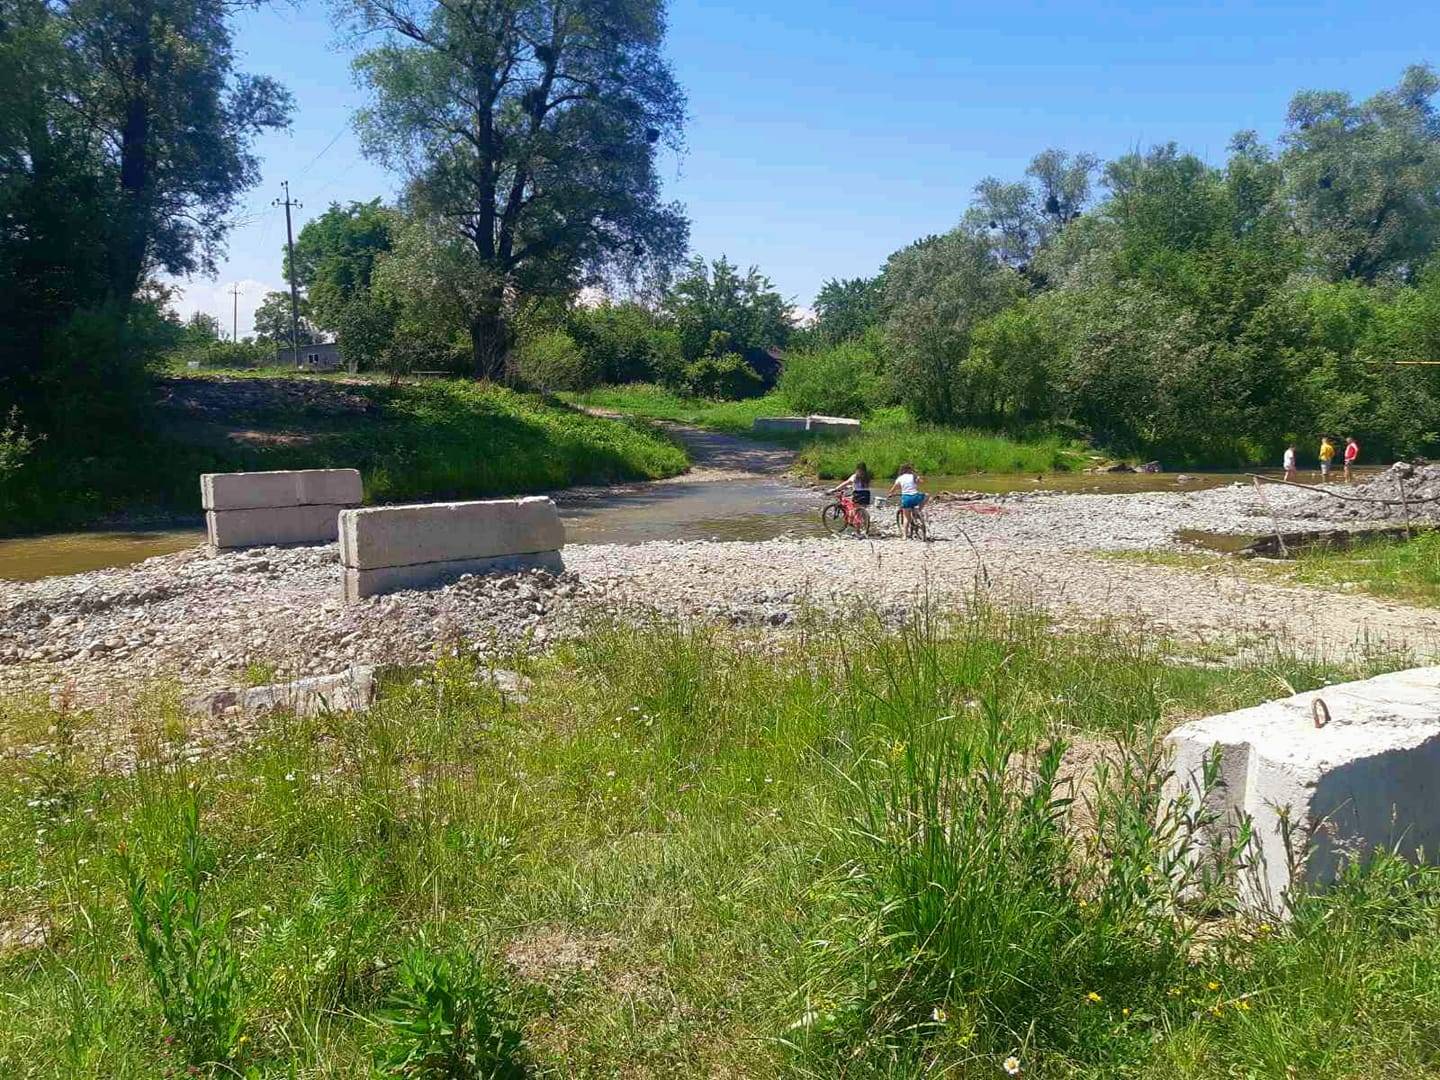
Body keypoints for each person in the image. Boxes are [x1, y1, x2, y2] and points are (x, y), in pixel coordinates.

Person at [829, 462, 872, 534]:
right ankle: (866, 528)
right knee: (862, 511)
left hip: (858, 494)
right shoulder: (867, 476)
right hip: (867, 494)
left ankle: (858, 531)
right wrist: (852, 486)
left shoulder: (855, 476)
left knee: (855, 511)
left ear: (857, 469)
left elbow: (846, 482)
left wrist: (836, 489)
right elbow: (862, 485)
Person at [889, 462, 926, 536]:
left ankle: (904, 536)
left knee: (906, 518)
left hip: (906, 498)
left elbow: (893, 489)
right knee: (927, 496)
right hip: (916, 497)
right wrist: (917, 479)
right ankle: (919, 510)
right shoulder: (914, 476)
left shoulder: (900, 478)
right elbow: (922, 482)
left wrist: (890, 494)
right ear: (910, 470)